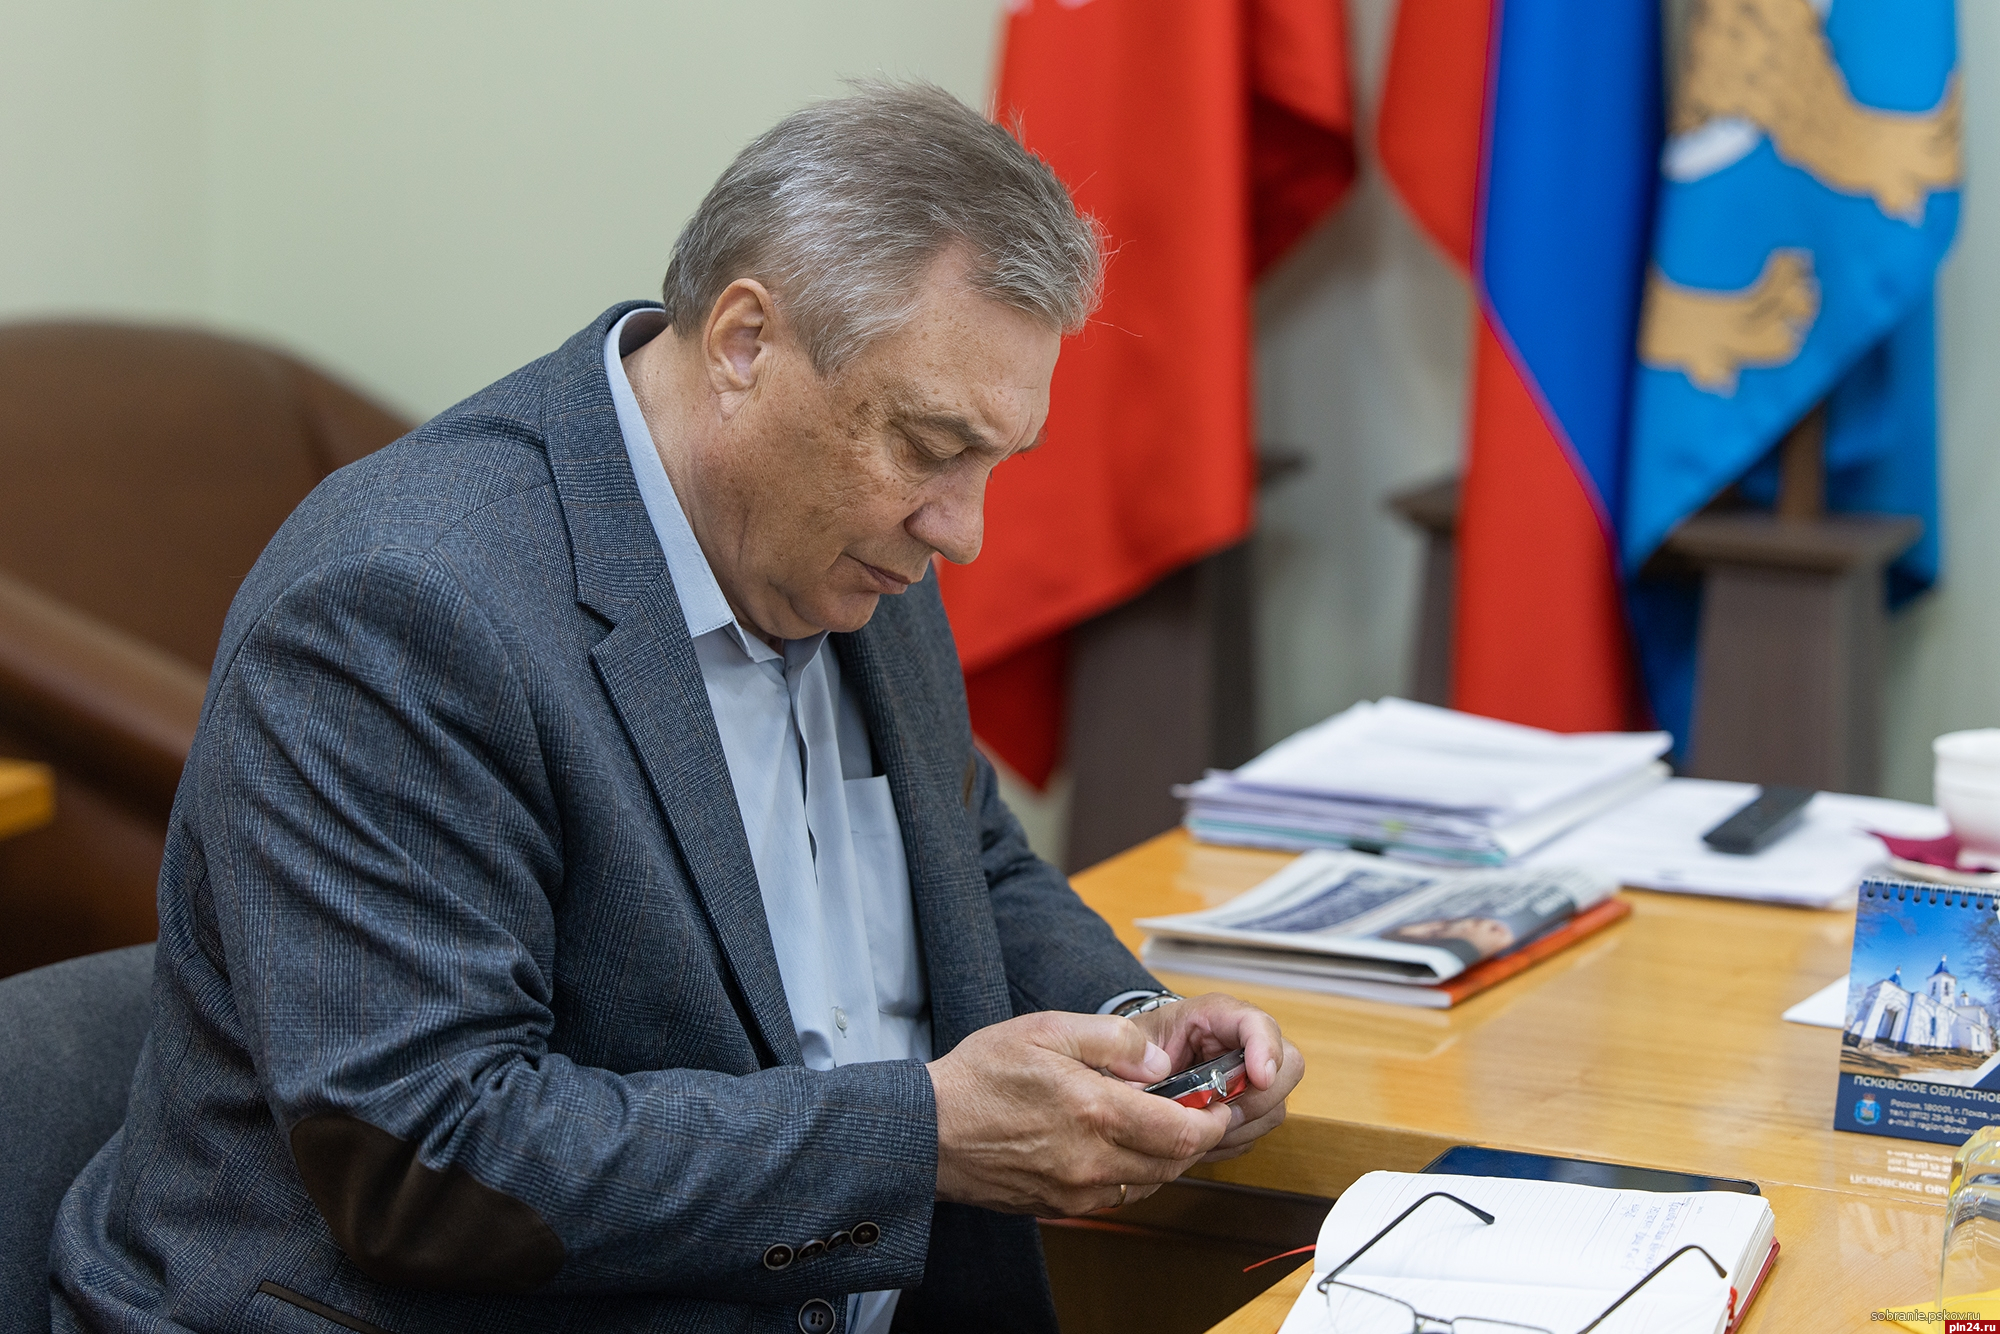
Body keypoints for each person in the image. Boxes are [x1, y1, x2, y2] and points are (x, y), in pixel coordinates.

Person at [52, 81, 1304, 1334]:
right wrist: (919, 1137)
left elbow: (961, 860)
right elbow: (429, 1151)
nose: (963, 530)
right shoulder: (403, 607)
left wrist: (1139, 1034)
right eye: (929, 445)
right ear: (744, 342)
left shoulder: (851, 537)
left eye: (992, 461)